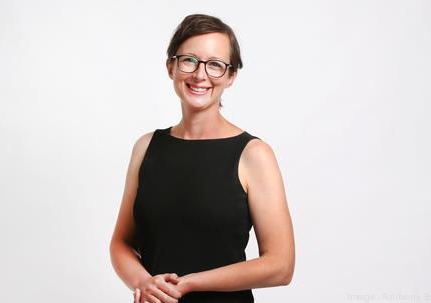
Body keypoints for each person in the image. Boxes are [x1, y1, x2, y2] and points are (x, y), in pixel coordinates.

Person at [109, 13, 295, 303]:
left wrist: (189, 284)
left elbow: (281, 266)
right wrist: (145, 283)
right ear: (171, 66)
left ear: (231, 76)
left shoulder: (254, 154)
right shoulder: (146, 147)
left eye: (215, 65)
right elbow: (121, 243)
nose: (200, 75)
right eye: (189, 60)